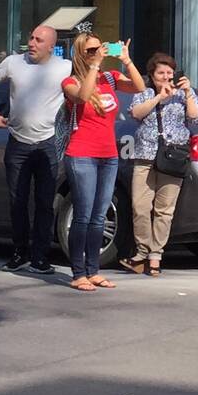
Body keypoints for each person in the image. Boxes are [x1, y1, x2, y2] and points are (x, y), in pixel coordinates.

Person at [0, 24, 72, 274]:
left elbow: (87, 89)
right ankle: (19, 252)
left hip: (49, 144)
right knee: (17, 201)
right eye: (31, 37)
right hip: (18, 143)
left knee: (45, 203)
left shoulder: (65, 67)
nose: (31, 43)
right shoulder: (13, 62)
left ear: (51, 46)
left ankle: (40, 257)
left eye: (38, 40)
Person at [61, 34, 145, 292]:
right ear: (81, 55)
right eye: (91, 50)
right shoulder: (70, 81)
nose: (98, 52)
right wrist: (95, 66)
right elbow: (83, 97)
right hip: (81, 154)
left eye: (100, 47)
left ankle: (94, 270)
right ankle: (78, 273)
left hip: (108, 154)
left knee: (100, 216)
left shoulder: (110, 78)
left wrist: (127, 61)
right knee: (83, 215)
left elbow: (140, 87)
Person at [119, 53, 198, 276]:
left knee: (165, 210)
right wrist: (158, 99)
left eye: (169, 73)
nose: (166, 77)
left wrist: (186, 93)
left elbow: (194, 117)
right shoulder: (143, 93)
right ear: (152, 76)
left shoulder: (185, 94)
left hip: (173, 157)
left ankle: (156, 255)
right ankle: (142, 251)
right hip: (145, 155)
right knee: (140, 206)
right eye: (161, 73)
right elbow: (136, 114)